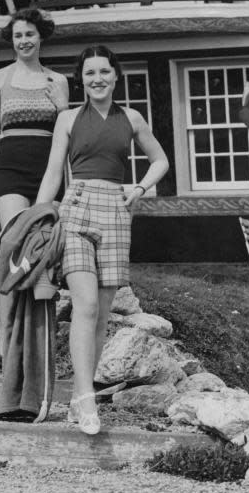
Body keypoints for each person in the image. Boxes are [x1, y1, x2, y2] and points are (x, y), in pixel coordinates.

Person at [36, 45, 169, 436]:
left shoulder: (131, 117)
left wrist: (140, 189)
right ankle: (87, 400)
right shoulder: (66, 118)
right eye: (90, 73)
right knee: (87, 304)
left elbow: (160, 160)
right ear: (81, 78)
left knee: (103, 310)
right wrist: (39, 216)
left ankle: (81, 394)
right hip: (75, 207)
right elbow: (51, 174)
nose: (97, 79)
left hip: (115, 208)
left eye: (104, 72)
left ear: (115, 76)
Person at [0, 7, 70, 368]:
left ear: (40, 36)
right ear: (11, 40)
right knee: (14, 245)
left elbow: (67, 131)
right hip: (10, 168)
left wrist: (62, 106)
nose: (24, 41)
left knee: (40, 248)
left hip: (48, 170)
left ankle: (36, 337)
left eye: (29, 34)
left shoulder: (57, 81)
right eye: (18, 35)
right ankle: (8, 335)